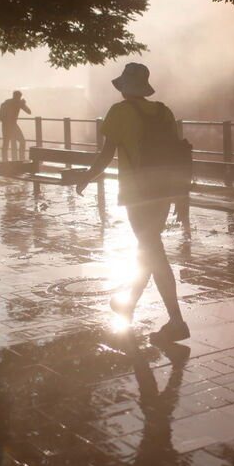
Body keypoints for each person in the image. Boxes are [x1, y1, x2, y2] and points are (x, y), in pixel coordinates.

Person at [76, 63, 189, 344]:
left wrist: (87, 177)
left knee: (153, 252)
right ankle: (129, 304)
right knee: (148, 249)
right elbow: (177, 156)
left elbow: (105, 156)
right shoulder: (164, 111)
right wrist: (180, 195)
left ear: (125, 88)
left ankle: (177, 321)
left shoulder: (118, 112)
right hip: (164, 191)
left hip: (138, 194)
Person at [0, 90, 31, 161]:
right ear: (19, 96)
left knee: (5, 143)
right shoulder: (19, 103)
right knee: (22, 141)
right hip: (13, 126)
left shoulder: (7, 102)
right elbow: (29, 112)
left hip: (5, 125)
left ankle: (4, 161)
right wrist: (24, 104)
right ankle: (21, 159)